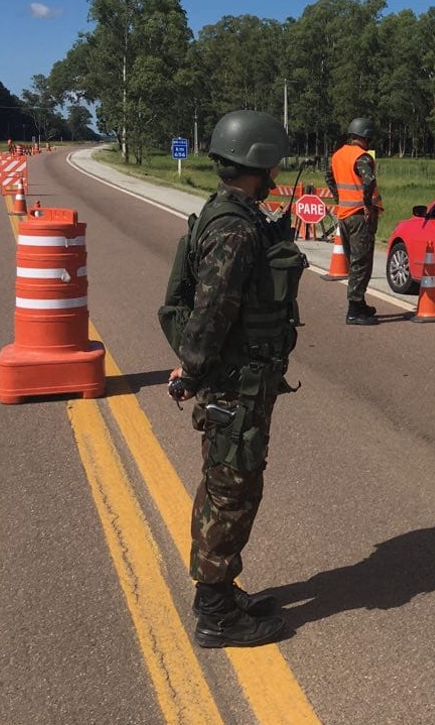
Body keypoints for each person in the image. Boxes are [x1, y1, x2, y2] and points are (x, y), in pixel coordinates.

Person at [165, 109, 307, 648]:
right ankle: (215, 612)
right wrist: (193, 369)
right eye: (272, 162)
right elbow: (211, 312)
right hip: (235, 386)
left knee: (231, 485)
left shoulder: (233, 215)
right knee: (231, 491)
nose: (276, 172)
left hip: (243, 381)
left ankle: (222, 589)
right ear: (259, 161)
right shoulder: (234, 230)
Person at [326, 117, 384, 325]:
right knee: (361, 262)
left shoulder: (338, 155)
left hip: (344, 215)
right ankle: (354, 309)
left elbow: (329, 178)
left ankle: (360, 304)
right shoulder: (362, 157)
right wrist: (368, 204)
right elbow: (369, 180)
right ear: (366, 137)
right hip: (361, 215)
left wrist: (338, 199)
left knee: (354, 261)